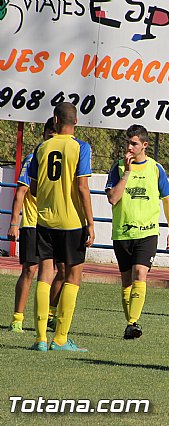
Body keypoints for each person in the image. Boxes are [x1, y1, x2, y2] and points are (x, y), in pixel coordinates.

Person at [27, 102, 95, 352]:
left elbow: (33, 188)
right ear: (75, 122)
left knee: (45, 275)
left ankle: (40, 339)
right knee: (73, 276)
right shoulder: (81, 148)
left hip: (44, 221)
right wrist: (90, 222)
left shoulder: (42, 147)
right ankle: (61, 338)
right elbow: (82, 187)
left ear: (55, 120)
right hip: (71, 222)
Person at [105, 124, 169, 339]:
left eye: (134, 143)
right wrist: (127, 172)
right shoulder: (117, 167)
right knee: (126, 280)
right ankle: (131, 324)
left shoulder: (155, 168)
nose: (129, 147)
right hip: (122, 233)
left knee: (140, 274)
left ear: (144, 145)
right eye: (128, 142)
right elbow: (113, 199)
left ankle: (132, 322)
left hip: (147, 233)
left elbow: (167, 200)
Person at [6, 118, 65, 333]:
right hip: (33, 223)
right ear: (44, 135)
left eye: (55, 135)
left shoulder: (65, 158)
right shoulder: (33, 158)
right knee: (30, 269)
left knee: (63, 270)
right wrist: (14, 223)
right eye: (49, 135)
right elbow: (21, 191)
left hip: (57, 224)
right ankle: (17, 318)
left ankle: (49, 314)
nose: (52, 139)